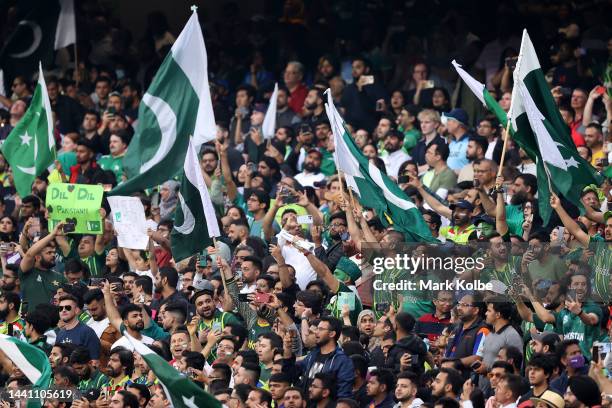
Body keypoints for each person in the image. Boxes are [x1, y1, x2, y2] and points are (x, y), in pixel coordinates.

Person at [282, 316, 354, 398]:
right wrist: (287, 350)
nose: (316, 332)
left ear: (332, 334)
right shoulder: (312, 355)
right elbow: (290, 374)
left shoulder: (342, 361)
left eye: (321, 329)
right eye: (317, 329)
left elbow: (343, 395)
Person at [55, 294, 101, 362]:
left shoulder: (87, 332)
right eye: (61, 308)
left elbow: (95, 361)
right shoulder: (60, 334)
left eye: (68, 307)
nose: (63, 310)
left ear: (77, 310)